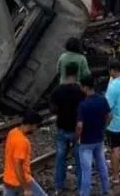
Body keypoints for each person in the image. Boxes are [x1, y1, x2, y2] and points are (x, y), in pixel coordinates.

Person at [51, 63, 84, 194]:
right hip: (77, 130)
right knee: (79, 159)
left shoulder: (58, 90)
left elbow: (52, 108)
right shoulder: (81, 91)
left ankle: (59, 186)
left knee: (60, 158)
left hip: (62, 128)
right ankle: (81, 188)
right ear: (77, 74)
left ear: (65, 73)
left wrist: (60, 112)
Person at [77, 76, 111, 196]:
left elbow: (80, 125)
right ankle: (106, 189)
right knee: (102, 165)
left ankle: (84, 193)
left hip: (86, 141)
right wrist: (104, 127)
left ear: (85, 87)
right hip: (99, 138)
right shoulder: (102, 99)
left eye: (81, 86)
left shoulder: (83, 105)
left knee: (87, 170)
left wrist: (78, 136)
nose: (80, 88)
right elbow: (109, 116)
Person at [2, 111, 47, 196]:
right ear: (33, 125)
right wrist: (26, 188)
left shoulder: (12, 132)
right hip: (22, 180)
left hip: (8, 179)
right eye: (37, 126)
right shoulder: (22, 142)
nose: (36, 129)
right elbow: (17, 166)